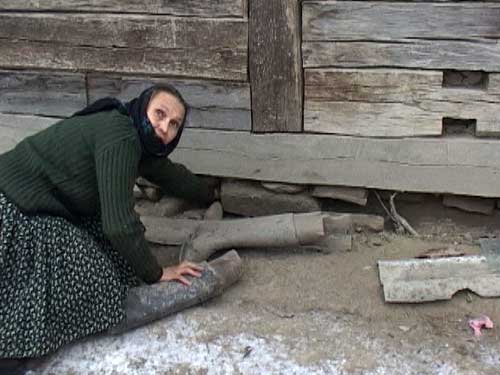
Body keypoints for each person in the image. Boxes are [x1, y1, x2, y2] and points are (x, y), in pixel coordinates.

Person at [0, 84, 242, 372]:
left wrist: (211, 195)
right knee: (94, 278)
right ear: (143, 108)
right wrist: (157, 273)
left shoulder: (135, 138)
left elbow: (171, 175)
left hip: (38, 206)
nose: (164, 127)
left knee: (118, 263)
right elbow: (119, 225)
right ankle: (14, 346)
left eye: (174, 124)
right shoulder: (121, 137)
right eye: (160, 114)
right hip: (13, 211)